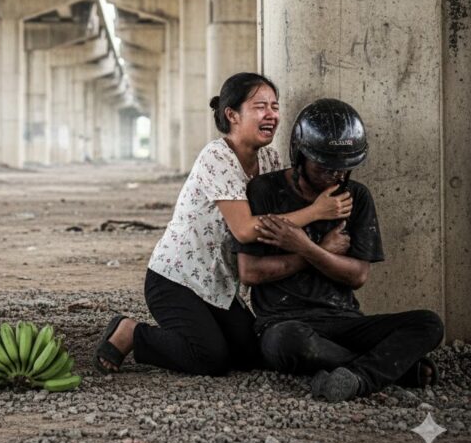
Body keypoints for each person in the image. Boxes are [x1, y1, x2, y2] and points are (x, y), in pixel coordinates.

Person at [94, 73, 353, 376]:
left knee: (249, 354)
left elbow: (279, 214)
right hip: (175, 280)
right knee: (209, 358)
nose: (271, 114)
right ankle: (131, 333)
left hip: (219, 285)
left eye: (275, 106)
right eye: (260, 107)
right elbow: (244, 229)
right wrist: (316, 211)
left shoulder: (269, 160)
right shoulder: (216, 157)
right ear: (232, 115)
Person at [233, 98, 444, 401]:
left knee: (429, 324)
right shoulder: (265, 190)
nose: (337, 176)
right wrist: (317, 249)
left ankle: (359, 377)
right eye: (324, 167)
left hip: (345, 320)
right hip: (284, 322)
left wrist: (306, 247)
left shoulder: (357, 196)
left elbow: (357, 276)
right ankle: (391, 371)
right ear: (300, 154)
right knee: (287, 341)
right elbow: (250, 272)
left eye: (345, 168)